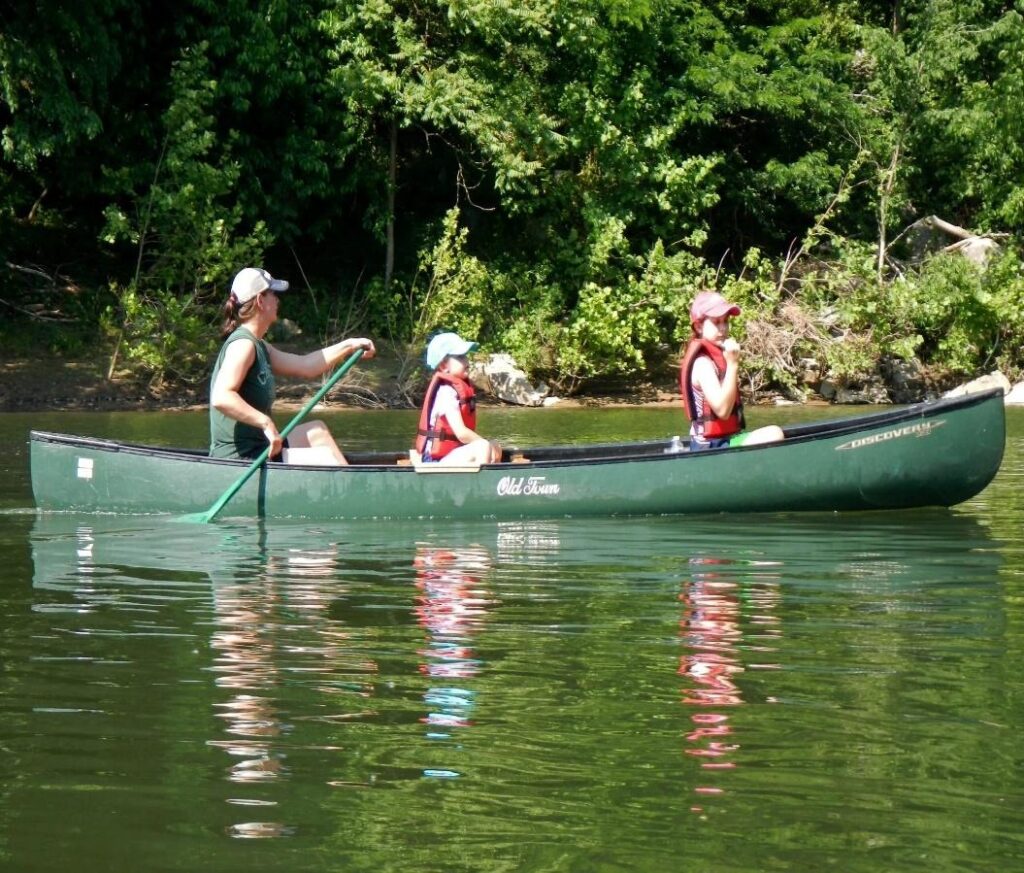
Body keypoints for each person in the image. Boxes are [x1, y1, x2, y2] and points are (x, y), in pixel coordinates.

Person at [209, 266, 375, 465]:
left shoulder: (260, 346)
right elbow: (221, 396)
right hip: (241, 460)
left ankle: (351, 488)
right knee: (323, 458)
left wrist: (349, 345)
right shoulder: (243, 345)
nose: (278, 300)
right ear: (260, 300)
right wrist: (266, 422)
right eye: (273, 294)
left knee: (317, 431)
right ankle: (351, 491)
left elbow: (306, 365)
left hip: (261, 450)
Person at [680, 290, 784, 452]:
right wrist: (733, 364)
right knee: (775, 433)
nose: (723, 328)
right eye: (716, 322)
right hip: (709, 447)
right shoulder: (702, 364)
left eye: (726, 321)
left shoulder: (717, 356)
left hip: (725, 440)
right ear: (699, 326)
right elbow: (722, 410)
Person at [414, 332, 502, 465]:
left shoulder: (456, 389)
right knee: (483, 446)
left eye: (466, 356)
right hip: (434, 461)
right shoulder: (445, 393)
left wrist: (489, 446)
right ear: (444, 366)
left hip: (452, 455)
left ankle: (486, 479)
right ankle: (480, 484)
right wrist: (485, 445)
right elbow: (461, 433)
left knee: (495, 445)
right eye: (460, 357)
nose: (466, 360)